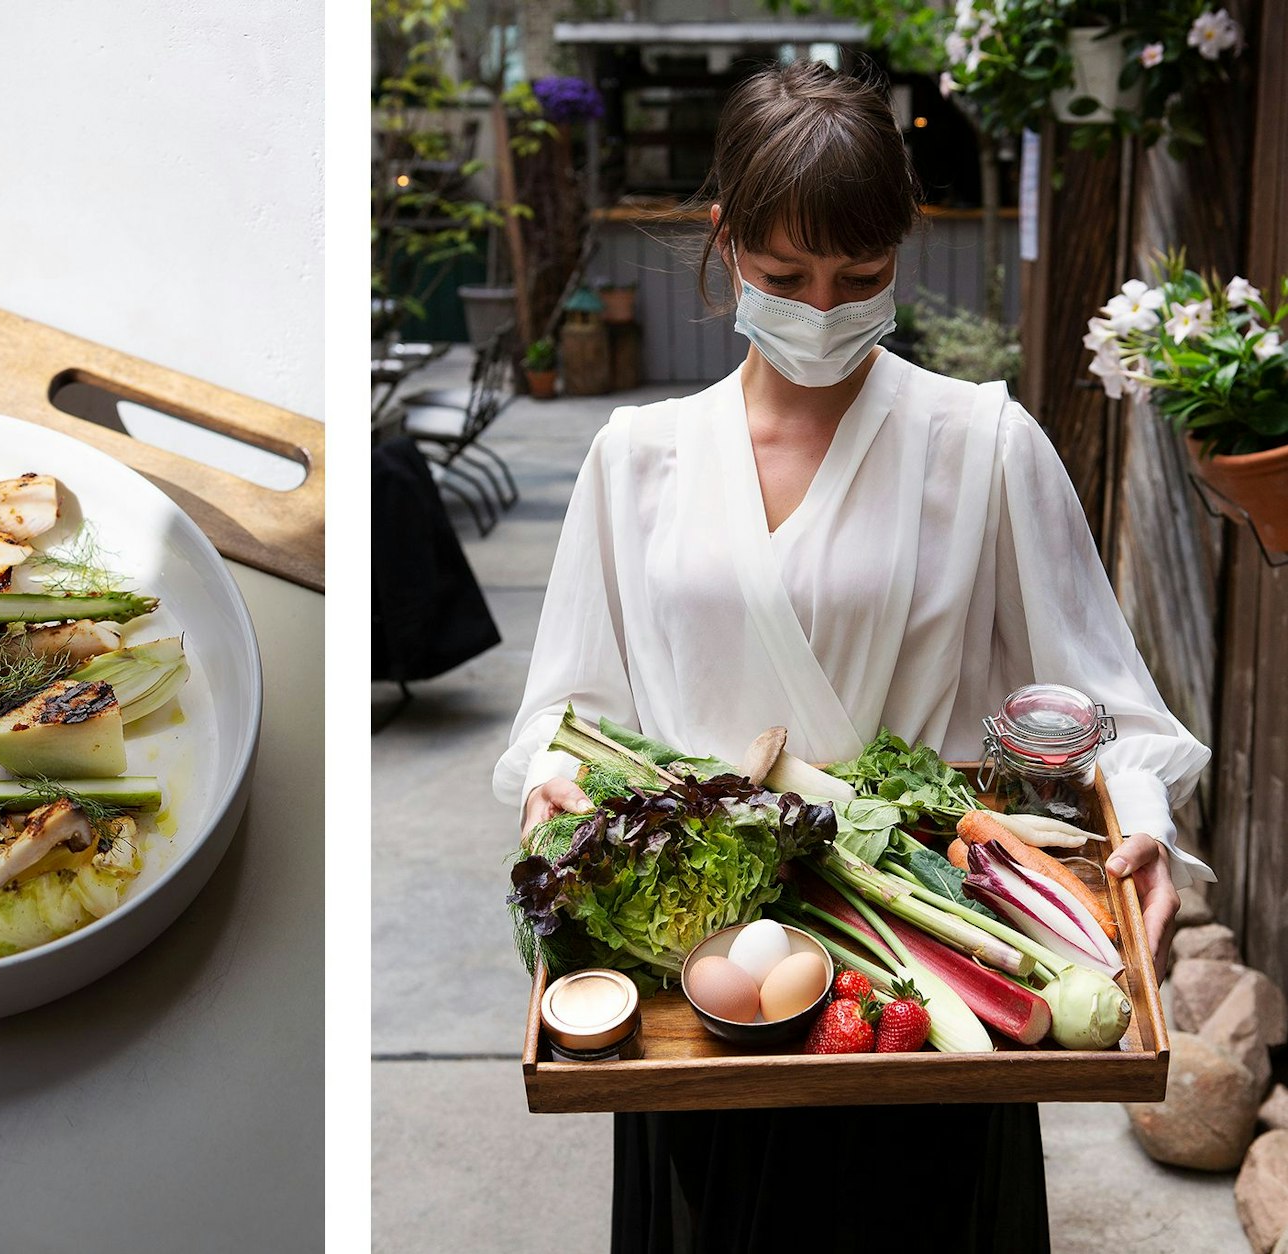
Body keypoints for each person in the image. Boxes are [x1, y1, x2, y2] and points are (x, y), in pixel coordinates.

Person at [492, 60, 1212, 1254]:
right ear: (724, 243)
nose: (820, 310)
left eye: (858, 277)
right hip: (700, 969)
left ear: (899, 251)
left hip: (919, 961)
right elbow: (566, 708)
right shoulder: (638, 458)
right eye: (783, 277)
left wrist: (1136, 819)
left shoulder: (979, 445)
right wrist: (549, 791)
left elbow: (1099, 706)